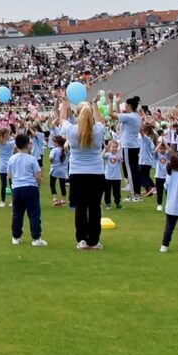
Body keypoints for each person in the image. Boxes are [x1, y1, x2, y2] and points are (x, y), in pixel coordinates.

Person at [64, 100, 106, 250]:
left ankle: (81, 239)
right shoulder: (98, 130)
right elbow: (101, 120)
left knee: (80, 207)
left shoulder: (72, 130)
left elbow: (62, 119)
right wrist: (94, 105)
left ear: (78, 115)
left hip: (77, 173)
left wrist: (64, 102)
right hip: (96, 173)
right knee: (95, 207)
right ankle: (93, 240)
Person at [6, 132, 46, 246]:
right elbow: (38, 176)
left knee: (17, 213)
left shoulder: (12, 159)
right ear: (27, 145)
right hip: (30, 187)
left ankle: (16, 237)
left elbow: (9, 174)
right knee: (34, 213)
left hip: (17, 188)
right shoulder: (32, 159)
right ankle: (36, 238)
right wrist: (38, 186)